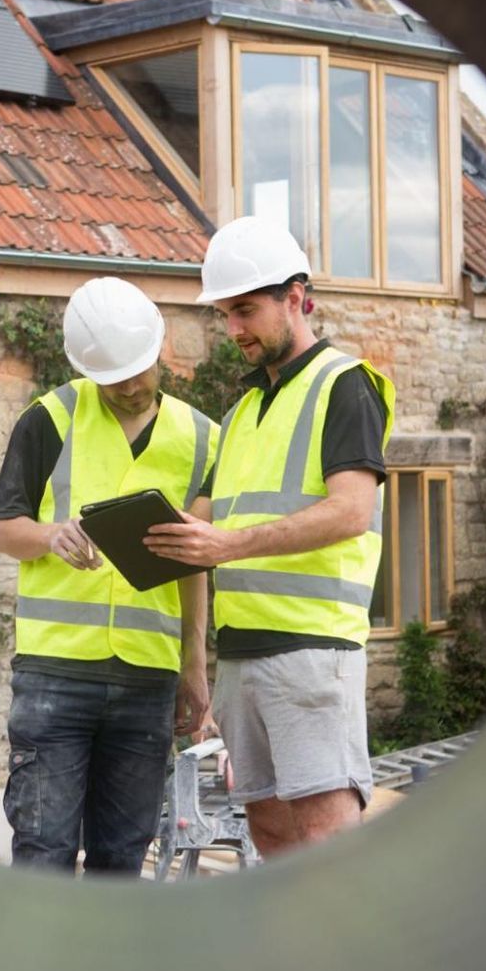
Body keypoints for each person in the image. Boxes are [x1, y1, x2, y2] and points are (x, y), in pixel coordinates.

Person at [144, 218, 395, 857]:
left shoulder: (346, 385)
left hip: (312, 652)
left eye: (245, 311)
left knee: (325, 839)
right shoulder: (238, 414)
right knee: (271, 834)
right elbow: (197, 523)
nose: (233, 330)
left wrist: (225, 546)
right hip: (244, 657)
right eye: (225, 314)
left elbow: (349, 512)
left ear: (295, 296)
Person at [0, 276, 217, 874]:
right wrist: (50, 535)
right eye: (115, 380)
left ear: (159, 349)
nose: (133, 387)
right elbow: (3, 527)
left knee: (122, 857)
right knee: (44, 853)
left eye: (141, 371)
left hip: (148, 677)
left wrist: (193, 666)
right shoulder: (50, 419)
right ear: (88, 371)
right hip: (55, 676)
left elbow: (196, 562)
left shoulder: (200, 438)